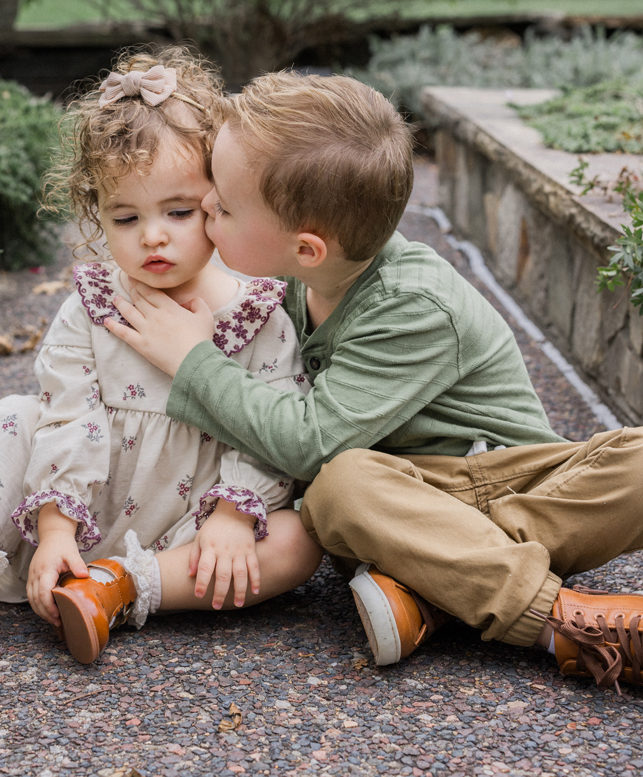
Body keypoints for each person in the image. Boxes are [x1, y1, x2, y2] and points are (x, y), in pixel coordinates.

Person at [106, 70, 643, 695]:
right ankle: (443, 587)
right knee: (345, 488)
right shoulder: (303, 279)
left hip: (499, 480)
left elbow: (309, 444)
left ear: (307, 248)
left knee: (338, 479)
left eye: (221, 206)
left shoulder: (413, 304)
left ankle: (554, 623)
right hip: (396, 503)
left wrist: (195, 360)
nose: (203, 208)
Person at [0, 49, 322, 675]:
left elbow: (271, 420)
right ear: (96, 211)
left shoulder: (260, 311)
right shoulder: (95, 308)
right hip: (74, 514)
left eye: (179, 212)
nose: (153, 236)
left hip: (193, 533)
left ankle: (117, 586)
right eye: (126, 217)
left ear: (219, 198)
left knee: (297, 540)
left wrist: (236, 515)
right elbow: (67, 417)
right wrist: (52, 529)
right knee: (12, 418)